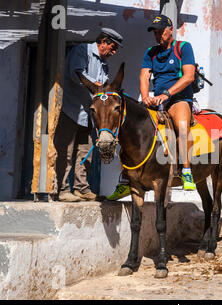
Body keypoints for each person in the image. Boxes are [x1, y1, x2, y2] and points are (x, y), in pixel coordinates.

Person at [107, 14, 196, 199]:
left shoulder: (183, 47)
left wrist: (167, 94)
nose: (158, 35)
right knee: (130, 128)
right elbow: (144, 77)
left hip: (178, 99)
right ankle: (125, 179)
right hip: (157, 101)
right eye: (155, 32)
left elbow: (189, 76)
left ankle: (186, 170)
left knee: (181, 127)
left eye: (161, 31)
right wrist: (146, 96)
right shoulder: (151, 52)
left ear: (171, 30)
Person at [54, 28, 123, 202]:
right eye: (113, 47)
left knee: (85, 153)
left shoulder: (104, 63)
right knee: (65, 153)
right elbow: (76, 74)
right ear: (104, 42)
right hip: (71, 110)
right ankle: (62, 190)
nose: (113, 52)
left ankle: (82, 189)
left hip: (89, 114)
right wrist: (96, 84)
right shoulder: (82, 51)